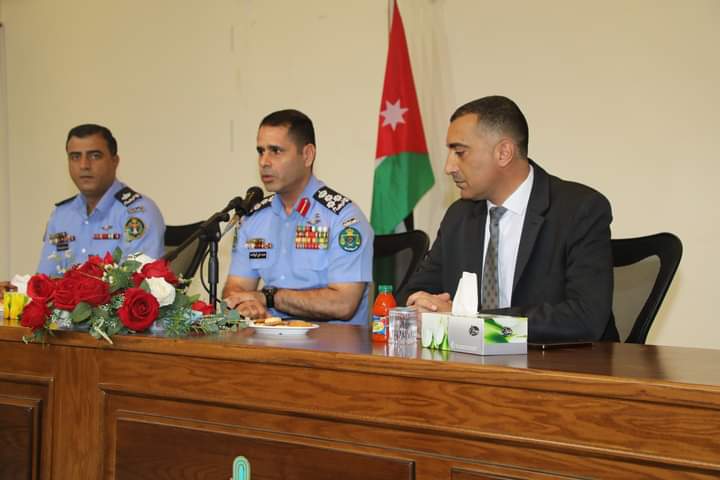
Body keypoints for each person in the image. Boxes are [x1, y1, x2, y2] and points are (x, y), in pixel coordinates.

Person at [401, 96, 619, 343]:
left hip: (560, 363)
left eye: (460, 152)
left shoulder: (579, 210)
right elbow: (415, 293)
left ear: (503, 153)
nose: (449, 167)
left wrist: (478, 324)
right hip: (470, 361)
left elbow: (585, 317)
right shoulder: (459, 216)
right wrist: (426, 307)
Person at [223, 109, 373, 325]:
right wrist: (244, 304)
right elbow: (236, 287)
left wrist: (270, 298)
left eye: (275, 151)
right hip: (271, 339)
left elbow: (343, 303)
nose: (264, 161)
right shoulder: (254, 219)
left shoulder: (343, 219)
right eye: (260, 151)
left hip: (333, 342)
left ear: (307, 155)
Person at [37, 124, 165, 276]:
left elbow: (138, 283)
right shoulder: (60, 216)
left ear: (114, 161)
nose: (84, 165)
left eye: (95, 156)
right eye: (75, 157)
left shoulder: (138, 213)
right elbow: (44, 280)